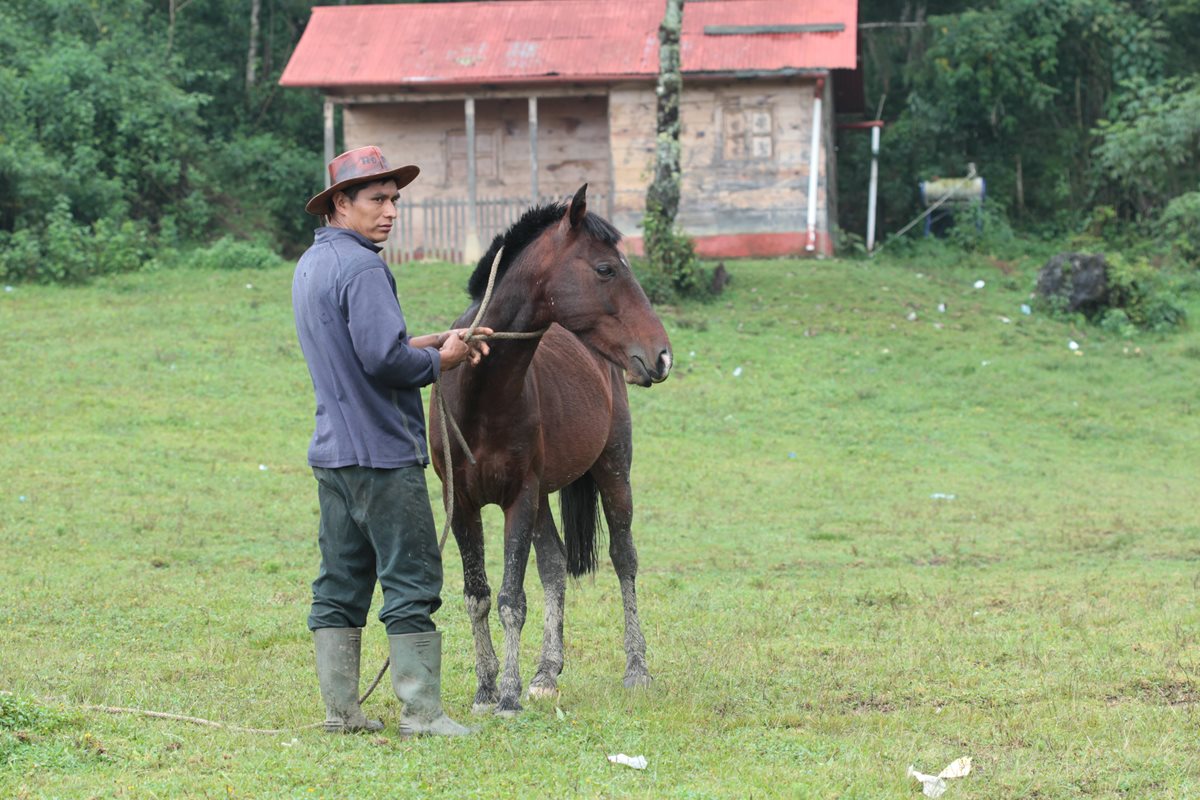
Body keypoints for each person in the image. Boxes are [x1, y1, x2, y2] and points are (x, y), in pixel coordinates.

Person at [292, 145, 490, 736]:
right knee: (412, 579)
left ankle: (341, 712)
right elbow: (383, 360)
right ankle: (422, 714)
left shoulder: (313, 264)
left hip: (334, 455)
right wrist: (442, 362)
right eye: (376, 199)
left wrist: (431, 340)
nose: (391, 211)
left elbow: (360, 347)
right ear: (340, 202)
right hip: (383, 456)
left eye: (395, 200)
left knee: (339, 582)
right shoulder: (364, 268)